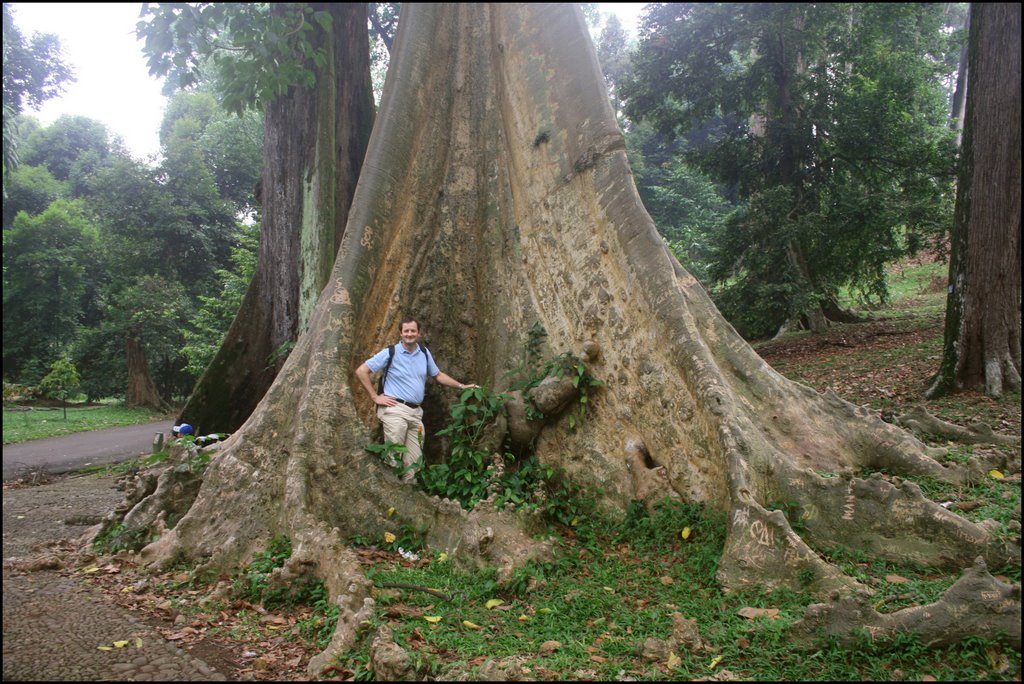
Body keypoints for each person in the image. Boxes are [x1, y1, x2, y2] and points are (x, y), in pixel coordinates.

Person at [355, 317, 477, 482]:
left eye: (413, 331)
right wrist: (375, 397)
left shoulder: (424, 353)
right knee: (393, 458)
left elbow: (438, 375)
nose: (409, 334)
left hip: (416, 413)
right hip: (395, 410)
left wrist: (462, 386)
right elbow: (362, 371)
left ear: (419, 333)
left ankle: (408, 495)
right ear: (401, 333)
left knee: (414, 462)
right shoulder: (391, 352)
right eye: (406, 331)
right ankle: (392, 495)